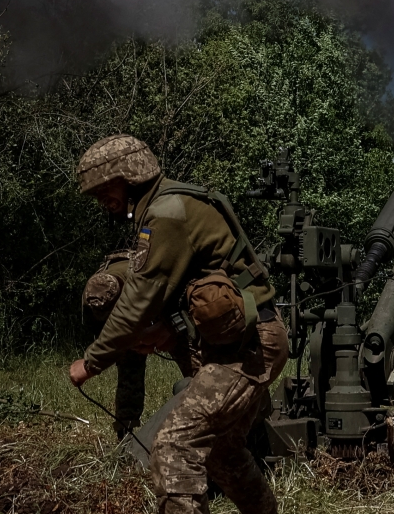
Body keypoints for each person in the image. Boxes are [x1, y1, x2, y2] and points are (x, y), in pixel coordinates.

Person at [69, 134, 288, 514]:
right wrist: (166, 332)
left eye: (105, 188)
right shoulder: (166, 204)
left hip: (249, 345)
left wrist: (91, 362)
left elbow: (140, 297)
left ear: (129, 175)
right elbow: (192, 288)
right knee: (222, 453)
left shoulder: (167, 212)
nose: (101, 199)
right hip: (244, 341)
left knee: (172, 447)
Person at [81, 252, 199, 440]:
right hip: (136, 312)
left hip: (170, 307)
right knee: (129, 366)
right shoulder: (94, 293)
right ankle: (125, 433)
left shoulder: (147, 278)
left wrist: (164, 330)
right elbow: (101, 332)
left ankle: (212, 420)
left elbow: (181, 304)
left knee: (197, 369)